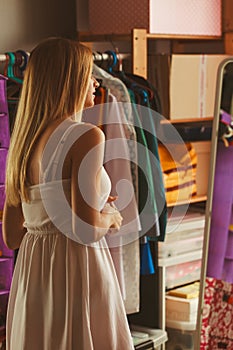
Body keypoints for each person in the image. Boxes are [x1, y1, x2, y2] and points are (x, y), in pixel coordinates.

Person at [2, 37, 134, 350]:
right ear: (70, 80)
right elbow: (85, 230)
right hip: (76, 268)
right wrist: (111, 217)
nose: (95, 82)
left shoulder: (23, 142)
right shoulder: (86, 135)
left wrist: (91, 207)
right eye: (89, 75)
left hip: (35, 276)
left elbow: (12, 236)